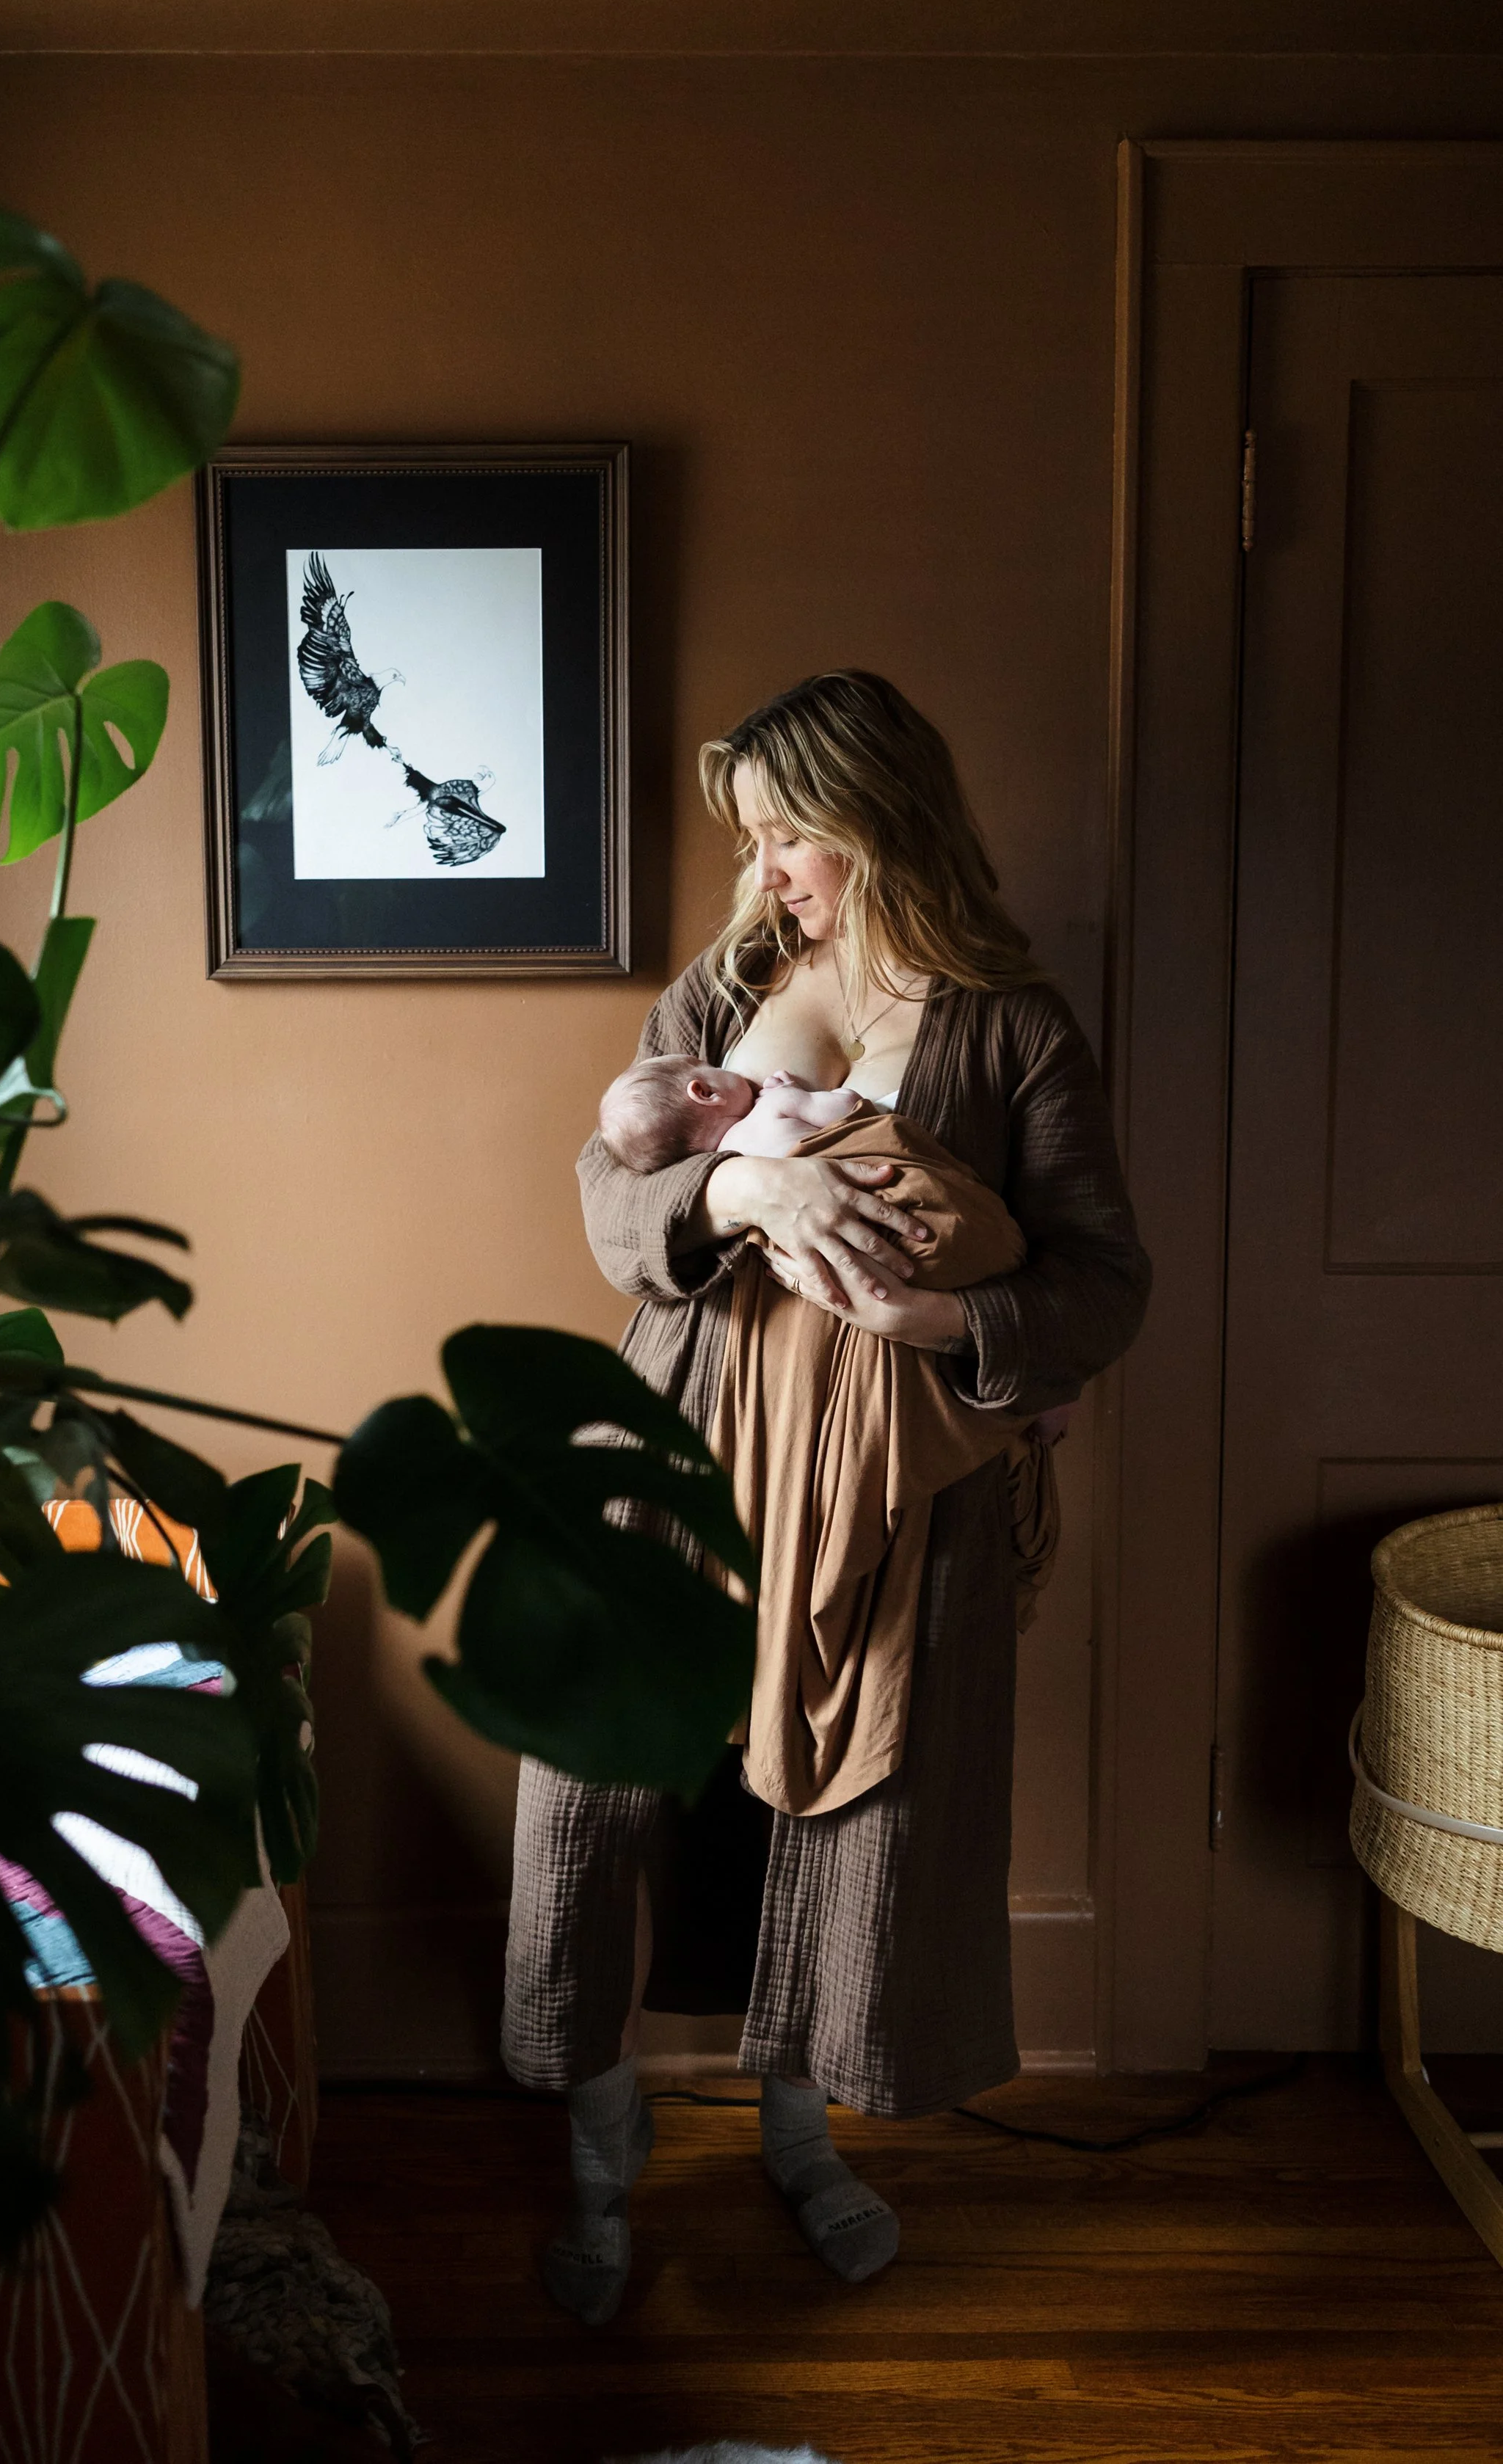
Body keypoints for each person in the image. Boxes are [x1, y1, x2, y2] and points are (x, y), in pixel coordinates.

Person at [501, 668, 1151, 2325]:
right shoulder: (726, 984)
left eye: (794, 829)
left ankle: (801, 2130)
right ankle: (597, 2138)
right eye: (758, 832)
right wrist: (740, 1173)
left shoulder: (1012, 1022)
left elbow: (1103, 1280)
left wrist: (946, 1319)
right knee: (593, 1782)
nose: (770, 861)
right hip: (678, 1426)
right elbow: (607, 1191)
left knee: (838, 1799)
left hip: (884, 1476)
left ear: (880, 818)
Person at [597, 1056, 867, 1168]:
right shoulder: (774, 1105)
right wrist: (795, 1093)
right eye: (705, 1064)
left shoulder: (728, 1165)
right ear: (705, 1093)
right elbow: (849, 1108)